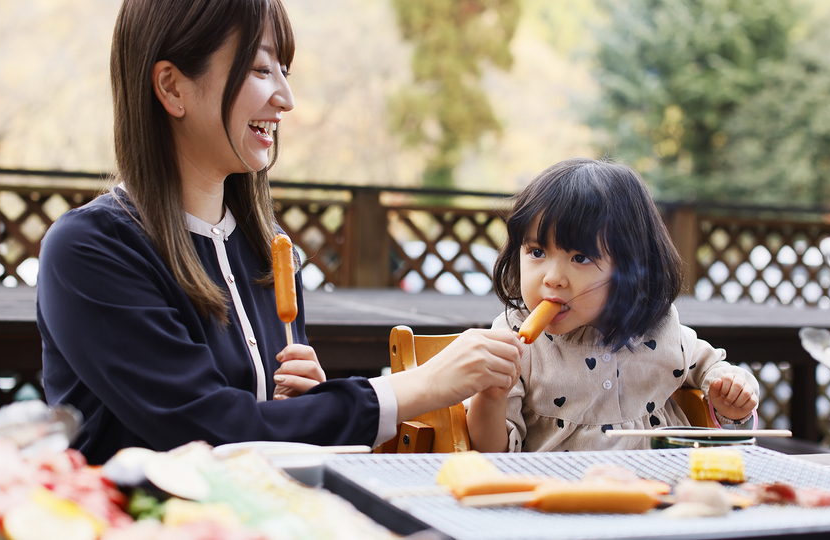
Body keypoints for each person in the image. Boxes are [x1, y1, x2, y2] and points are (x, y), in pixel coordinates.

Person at [37, 0, 522, 465]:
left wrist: (309, 403)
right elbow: (209, 431)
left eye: (284, 72)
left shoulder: (268, 251)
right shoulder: (91, 249)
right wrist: (420, 385)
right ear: (172, 87)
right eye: (260, 70)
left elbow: (264, 431)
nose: (286, 100)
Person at [466, 158, 760, 453]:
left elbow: (713, 369)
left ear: (630, 266)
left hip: (658, 487)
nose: (553, 278)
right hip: (558, 491)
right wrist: (491, 398)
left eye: (580, 258)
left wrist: (732, 396)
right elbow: (491, 454)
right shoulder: (513, 342)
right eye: (537, 251)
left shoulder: (656, 328)